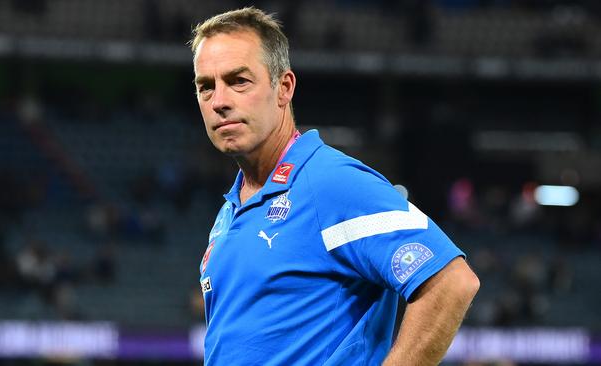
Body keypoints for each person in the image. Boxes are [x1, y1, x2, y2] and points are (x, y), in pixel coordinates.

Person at [189, 7, 479, 365]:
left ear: (284, 88)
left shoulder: (328, 183)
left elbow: (451, 282)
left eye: (239, 81)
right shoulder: (228, 212)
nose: (219, 101)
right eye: (206, 87)